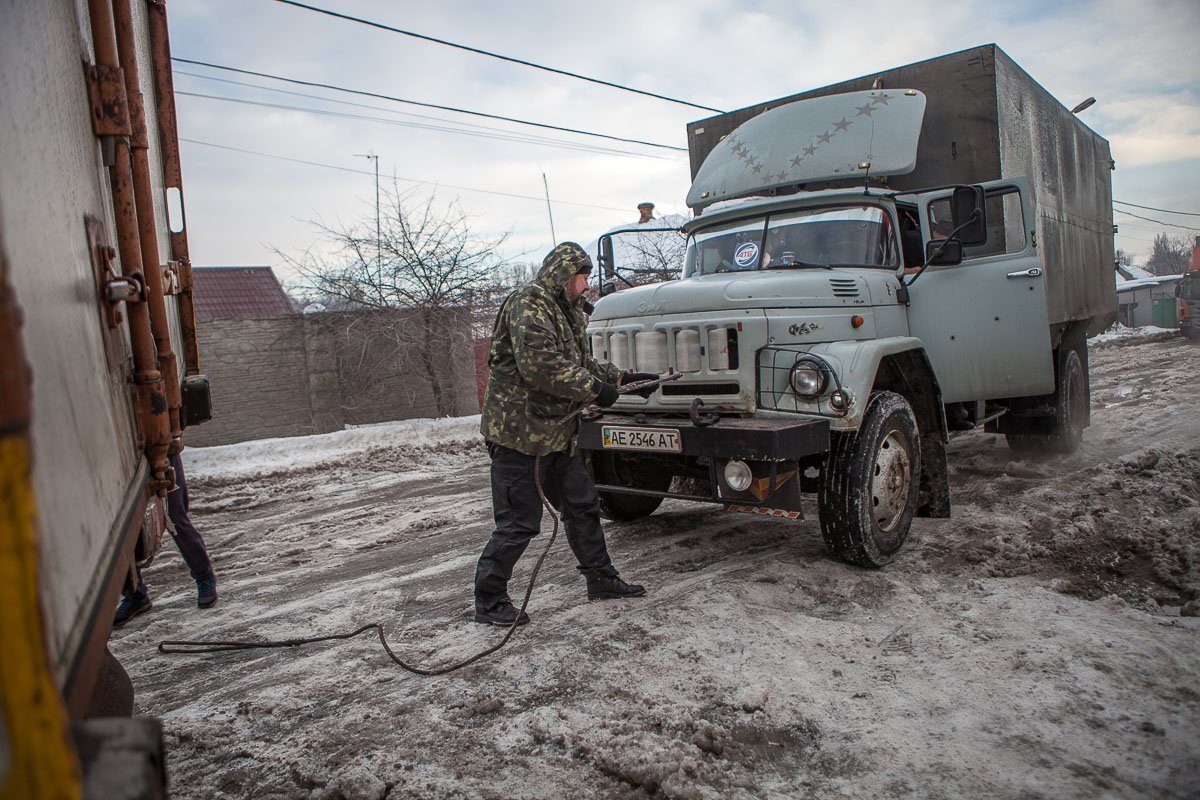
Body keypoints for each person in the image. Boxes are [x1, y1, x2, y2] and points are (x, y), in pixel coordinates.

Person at [474, 242, 656, 626]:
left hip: (557, 433)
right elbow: (541, 367)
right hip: (518, 435)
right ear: (564, 275)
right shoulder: (529, 304)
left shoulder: (566, 311)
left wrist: (623, 379)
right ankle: (489, 600)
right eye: (583, 277)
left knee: (582, 505)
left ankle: (601, 579)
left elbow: (581, 362)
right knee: (519, 522)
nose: (587, 285)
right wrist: (596, 391)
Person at [113, 451, 217, 625]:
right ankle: (135, 594)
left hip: (161, 451)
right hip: (123, 457)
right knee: (123, 525)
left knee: (175, 517)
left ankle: (204, 576)